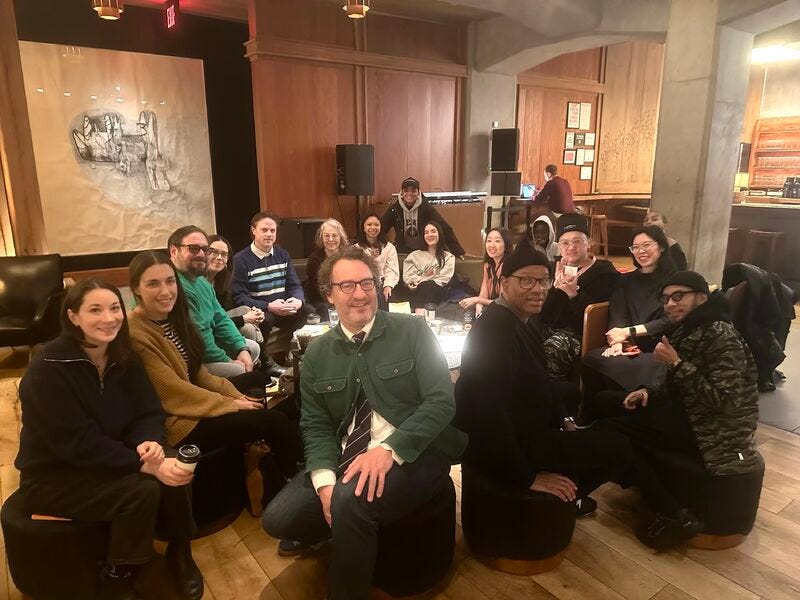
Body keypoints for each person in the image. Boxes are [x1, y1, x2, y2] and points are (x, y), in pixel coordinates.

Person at [261, 246, 467, 600]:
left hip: (418, 451)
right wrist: (324, 482)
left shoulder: (413, 330)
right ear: (329, 294)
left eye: (366, 283)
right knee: (278, 519)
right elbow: (316, 425)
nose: (359, 294)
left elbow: (440, 401)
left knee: (350, 502)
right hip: (348, 456)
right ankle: (348, 532)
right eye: (347, 286)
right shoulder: (317, 354)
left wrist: (389, 449)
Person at [15, 278, 203, 600]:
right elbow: (76, 443)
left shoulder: (123, 357)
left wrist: (148, 441)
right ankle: (120, 573)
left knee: (174, 463)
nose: (109, 318)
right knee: (141, 490)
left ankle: (180, 550)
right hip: (54, 475)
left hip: (107, 457)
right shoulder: (47, 368)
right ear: (73, 316)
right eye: (95, 310)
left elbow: (148, 410)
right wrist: (140, 464)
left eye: (115, 308)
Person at [454, 241, 631, 517]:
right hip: (515, 444)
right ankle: (569, 496)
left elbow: (544, 380)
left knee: (571, 394)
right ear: (504, 283)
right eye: (526, 281)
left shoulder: (520, 318)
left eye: (543, 281)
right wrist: (526, 477)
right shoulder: (495, 331)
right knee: (620, 447)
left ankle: (566, 490)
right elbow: (488, 413)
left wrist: (564, 420)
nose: (538, 289)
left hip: (525, 424)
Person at [591, 271, 760, 550]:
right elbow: (675, 385)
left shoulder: (720, 335)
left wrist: (676, 363)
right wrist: (648, 392)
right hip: (687, 412)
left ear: (702, 298)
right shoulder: (691, 327)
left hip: (712, 429)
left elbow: (726, 401)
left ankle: (672, 513)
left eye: (679, 296)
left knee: (611, 432)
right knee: (606, 401)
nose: (670, 304)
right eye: (666, 298)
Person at [128, 251, 303, 506]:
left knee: (257, 380)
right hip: (178, 421)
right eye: (153, 284)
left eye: (169, 281)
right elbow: (173, 391)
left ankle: (276, 461)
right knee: (272, 420)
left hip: (194, 401)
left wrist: (234, 395)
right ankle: (298, 483)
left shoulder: (171, 319)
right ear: (136, 288)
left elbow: (197, 371)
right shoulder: (136, 331)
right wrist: (230, 404)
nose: (165, 291)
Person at [581, 225, 677, 420]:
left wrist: (629, 332)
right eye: (635, 247)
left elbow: (669, 320)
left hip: (661, 348)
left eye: (647, 245)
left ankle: (630, 415)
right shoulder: (626, 280)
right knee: (592, 359)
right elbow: (618, 314)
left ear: (661, 247)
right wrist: (618, 343)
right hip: (630, 345)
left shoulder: (674, 281)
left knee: (647, 367)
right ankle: (593, 420)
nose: (641, 251)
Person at [168, 225, 263, 378]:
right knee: (239, 370)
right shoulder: (174, 285)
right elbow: (197, 337)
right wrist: (227, 360)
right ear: (174, 251)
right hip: (187, 357)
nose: (201, 254)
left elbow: (221, 318)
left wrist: (241, 348)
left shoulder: (201, 281)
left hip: (206, 346)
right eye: (193, 249)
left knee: (251, 348)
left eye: (205, 249)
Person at [539, 213, 619, 380]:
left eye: (577, 241)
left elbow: (594, 319)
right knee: (521, 336)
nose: (571, 247)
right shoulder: (556, 269)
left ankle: (553, 392)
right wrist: (554, 289)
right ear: (559, 246)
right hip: (554, 327)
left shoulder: (604, 273)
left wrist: (572, 295)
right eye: (565, 243)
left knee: (553, 348)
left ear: (588, 242)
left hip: (581, 333)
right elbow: (545, 315)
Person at [231, 211, 312, 370]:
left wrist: (297, 300)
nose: (269, 234)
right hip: (262, 310)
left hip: (283, 307)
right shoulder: (240, 260)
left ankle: (291, 354)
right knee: (265, 320)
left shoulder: (283, 254)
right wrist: (268, 306)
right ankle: (266, 364)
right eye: (264, 230)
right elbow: (239, 297)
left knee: (307, 310)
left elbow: (294, 285)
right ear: (253, 230)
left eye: (272, 230)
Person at [379, 177, 465, 257]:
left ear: (418, 192)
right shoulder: (394, 209)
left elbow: (444, 228)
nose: (409, 194)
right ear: (401, 193)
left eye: (413, 191)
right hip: (402, 250)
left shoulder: (427, 208)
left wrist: (457, 251)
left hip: (423, 251)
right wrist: (379, 246)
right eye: (406, 190)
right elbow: (381, 227)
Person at [206, 234, 265, 346]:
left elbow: (228, 308)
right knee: (248, 329)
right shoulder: (198, 281)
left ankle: (259, 355)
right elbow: (211, 321)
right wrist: (243, 319)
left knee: (246, 311)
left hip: (220, 321)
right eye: (214, 252)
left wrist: (255, 312)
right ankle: (261, 355)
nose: (219, 257)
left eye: (224, 254)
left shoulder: (224, 279)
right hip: (208, 328)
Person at [402, 221, 455, 314]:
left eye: (433, 231)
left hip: (437, 292)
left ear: (439, 234)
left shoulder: (448, 257)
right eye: (426, 232)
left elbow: (443, 279)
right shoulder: (414, 255)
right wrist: (415, 282)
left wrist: (423, 281)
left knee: (428, 286)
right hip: (415, 290)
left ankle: (420, 317)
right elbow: (408, 276)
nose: (430, 235)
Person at [459, 227, 512, 316]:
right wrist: (479, 305)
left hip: (505, 311)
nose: (491, 245)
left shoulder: (508, 266)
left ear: (506, 245)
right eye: (489, 241)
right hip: (491, 307)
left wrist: (477, 300)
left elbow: (502, 303)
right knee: (463, 310)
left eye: (497, 241)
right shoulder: (488, 265)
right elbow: (483, 293)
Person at [304, 218, 350, 320]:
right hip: (320, 298)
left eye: (334, 235)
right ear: (321, 238)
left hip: (345, 294)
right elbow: (316, 288)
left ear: (341, 237)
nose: (331, 239)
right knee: (325, 308)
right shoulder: (314, 259)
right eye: (327, 236)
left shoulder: (348, 256)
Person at [354, 213, 400, 308]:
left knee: (388, 297)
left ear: (380, 227)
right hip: (363, 283)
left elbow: (391, 269)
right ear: (363, 228)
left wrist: (388, 286)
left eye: (376, 225)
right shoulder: (356, 248)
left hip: (383, 282)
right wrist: (370, 258)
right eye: (369, 224)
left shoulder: (389, 247)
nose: (373, 227)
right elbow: (356, 270)